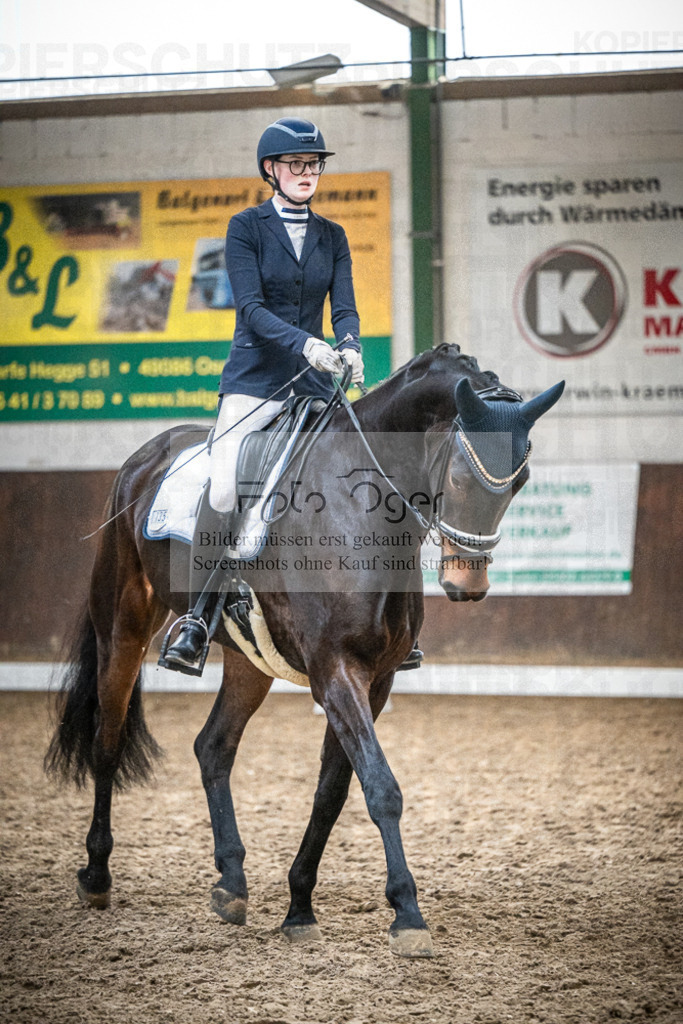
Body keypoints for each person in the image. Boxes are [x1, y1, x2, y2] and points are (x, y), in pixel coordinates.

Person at [163, 117, 364, 672]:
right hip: (254, 380)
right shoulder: (246, 227)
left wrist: (350, 345)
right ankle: (198, 617)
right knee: (226, 482)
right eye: (296, 164)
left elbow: (344, 308)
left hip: (315, 382)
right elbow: (250, 309)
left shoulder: (333, 235)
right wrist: (307, 344)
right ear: (271, 169)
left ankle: (381, 615)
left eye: (313, 164)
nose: (307, 173)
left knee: (358, 471)